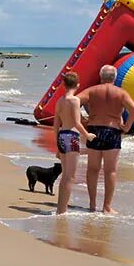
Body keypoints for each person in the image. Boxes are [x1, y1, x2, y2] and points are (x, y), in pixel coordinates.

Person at [76, 64, 134, 214]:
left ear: (101, 76)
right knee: (110, 171)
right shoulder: (121, 93)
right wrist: (127, 126)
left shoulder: (92, 91)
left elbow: (74, 102)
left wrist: (82, 120)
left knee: (93, 169)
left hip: (94, 130)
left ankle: (92, 204)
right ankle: (107, 206)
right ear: (115, 78)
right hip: (113, 131)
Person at [52, 72, 95, 215]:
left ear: (64, 85)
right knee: (70, 176)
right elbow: (77, 123)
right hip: (71, 136)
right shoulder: (75, 100)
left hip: (62, 135)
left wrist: (57, 145)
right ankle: (62, 211)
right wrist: (87, 135)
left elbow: (56, 125)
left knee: (65, 175)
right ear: (78, 85)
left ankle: (60, 208)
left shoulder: (59, 101)